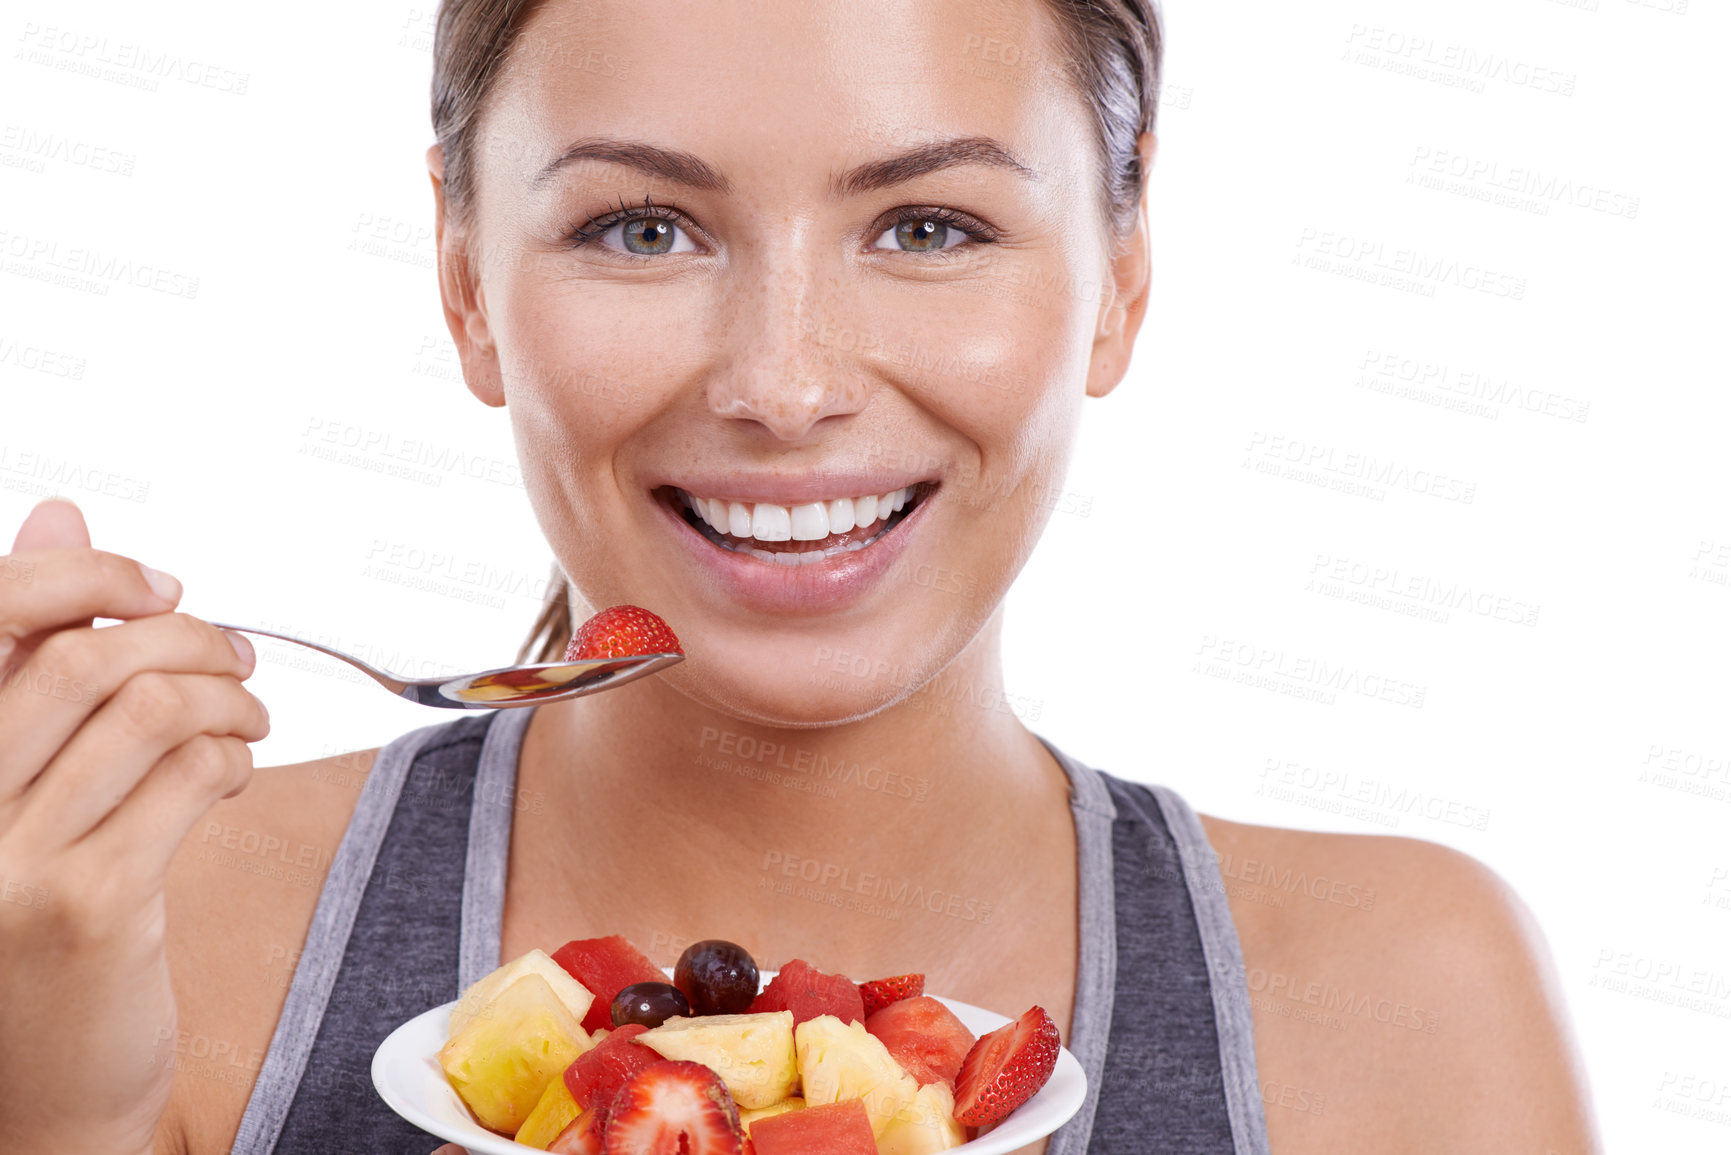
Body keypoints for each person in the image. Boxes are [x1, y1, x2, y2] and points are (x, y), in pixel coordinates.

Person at [0, 0, 1602, 1152]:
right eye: (642, 230)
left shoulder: (1409, 1003)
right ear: (462, 277)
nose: (785, 384)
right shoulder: (141, 935)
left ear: (1122, 270)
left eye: (924, 225)